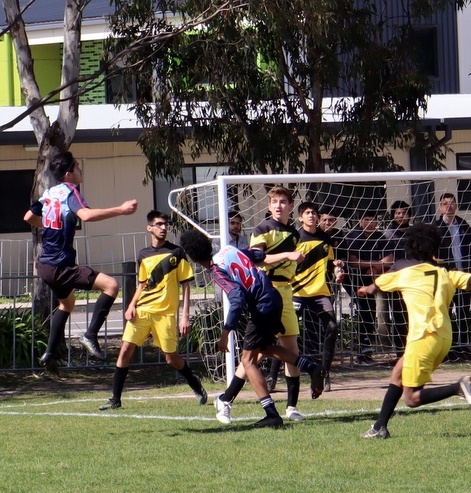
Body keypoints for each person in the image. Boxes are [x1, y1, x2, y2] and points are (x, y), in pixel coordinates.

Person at [358, 223, 471, 439]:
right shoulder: (445, 273)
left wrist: (364, 289)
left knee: (411, 399)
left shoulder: (403, 272)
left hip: (423, 337)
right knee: (398, 373)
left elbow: (373, 287)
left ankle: (457, 387)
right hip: (444, 338)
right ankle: (379, 426)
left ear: (410, 246)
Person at [179, 229, 325, 428]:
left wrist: (224, 334)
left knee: (248, 361)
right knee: (264, 349)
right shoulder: (229, 250)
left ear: (193, 259)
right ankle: (312, 367)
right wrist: (285, 255)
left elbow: (237, 299)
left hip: (262, 307)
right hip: (274, 298)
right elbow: (258, 256)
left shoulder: (216, 271)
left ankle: (271, 413)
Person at [24, 150, 138, 367]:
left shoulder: (49, 192)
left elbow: (29, 217)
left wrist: (48, 226)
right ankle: (90, 335)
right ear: (68, 174)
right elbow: (85, 215)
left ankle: (49, 353)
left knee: (66, 304)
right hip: (60, 265)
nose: (80, 169)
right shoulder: (71, 191)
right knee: (112, 286)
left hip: (45, 266)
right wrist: (121, 210)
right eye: (77, 166)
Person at [99, 211, 206, 410]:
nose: (163, 228)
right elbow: (141, 285)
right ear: (149, 228)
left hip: (165, 314)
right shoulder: (143, 255)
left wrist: (184, 316)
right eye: (159, 224)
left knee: (171, 358)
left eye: (166, 224)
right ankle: (115, 399)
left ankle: (195, 383)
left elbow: (186, 286)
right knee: (125, 350)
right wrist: (131, 305)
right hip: (143, 310)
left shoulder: (177, 252)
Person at [250, 186, 310, 421]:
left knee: (292, 351)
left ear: (291, 206)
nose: (278, 205)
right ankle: (227, 398)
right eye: (274, 201)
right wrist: (288, 256)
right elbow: (256, 257)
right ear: (269, 206)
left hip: (286, 292)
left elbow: (292, 264)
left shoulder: (294, 234)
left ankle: (292, 407)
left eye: (283, 202)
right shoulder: (262, 228)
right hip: (266, 291)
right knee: (254, 354)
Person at [292, 202, 345, 392]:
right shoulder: (294, 237)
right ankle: (273, 377)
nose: (311, 216)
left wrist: (336, 267)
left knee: (332, 327)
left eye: (314, 213)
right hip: (297, 292)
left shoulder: (326, 239)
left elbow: (330, 263)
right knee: (285, 333)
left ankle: (325, 373)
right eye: (307, 213)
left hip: (320, 292)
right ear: (300, 217)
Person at [343, 209, 394, 363]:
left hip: (372, 279)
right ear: (360, 222)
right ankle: (361, 352)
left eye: (373, 220)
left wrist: (375, 267)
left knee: (371, 312)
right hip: (353, 280)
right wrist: (374, 265)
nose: (370, 224)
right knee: (363, 311)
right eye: (366, 220)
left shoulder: (379, 236)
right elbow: (352, 261)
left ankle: (366, 352)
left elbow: (390, 258)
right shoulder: (353, 236)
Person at [431, 193, 471, 358]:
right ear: (440, 207)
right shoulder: (435, 227)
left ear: (456, 205)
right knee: (446, 312)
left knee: (463, 311)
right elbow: (428, 251)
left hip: (463, 274)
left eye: (451, 203)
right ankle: (448, 347)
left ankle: (463, 345)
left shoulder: (463, 225)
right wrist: (435, 259)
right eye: (445, 204)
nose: (448, 206)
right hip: (446, 276)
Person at [379, 200, 410, 355]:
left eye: (403, 213)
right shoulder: (387, 234)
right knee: (396, 313)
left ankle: (411, 347)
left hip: (412, 279)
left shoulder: (413, 233)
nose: (400, 216)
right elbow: (385, 258)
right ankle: (398, 350)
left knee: (410, 313)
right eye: (397, 213)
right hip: (395, 279)